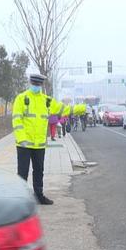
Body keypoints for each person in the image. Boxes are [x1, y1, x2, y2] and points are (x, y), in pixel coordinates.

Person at [12, 73, 86, 205]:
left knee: (39, 171)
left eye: (38, 84)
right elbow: (17, 119)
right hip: (24, 144)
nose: (36, 86)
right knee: (22, 172)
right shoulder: (22, 98)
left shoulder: (47, 100)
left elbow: (64, 109)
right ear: (30, 83)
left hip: (39, 144)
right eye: (34, 84)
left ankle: (39, 195)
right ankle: (20, 198)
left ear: (41, 85)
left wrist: (81, 108)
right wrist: (21, 138)